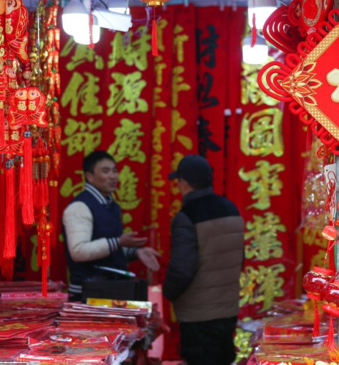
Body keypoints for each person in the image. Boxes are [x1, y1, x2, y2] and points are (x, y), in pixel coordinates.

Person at [163, 155, 244, 365]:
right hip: (227, 309)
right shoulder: (231, 208)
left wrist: (168, 293)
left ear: (184, 183)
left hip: (198, 315)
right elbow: (239, 259)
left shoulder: (187, 216)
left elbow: (182, 268)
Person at [62, 151, 161, 301]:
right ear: (89, 176)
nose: (113, 176)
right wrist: (119, 242)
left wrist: (134, 253)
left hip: (113, 290)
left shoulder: (112, 206)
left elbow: (110, 249)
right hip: (88, 294)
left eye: (115, 171)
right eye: (106, 171)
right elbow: (78, 251)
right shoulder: (80, 207)